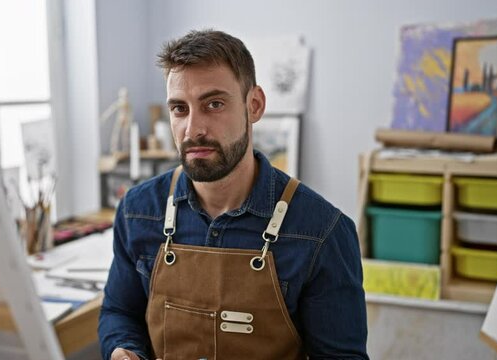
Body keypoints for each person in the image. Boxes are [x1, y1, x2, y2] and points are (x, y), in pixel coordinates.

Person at [98, 29, 368, 360]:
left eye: (214, 104)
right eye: (180, 109)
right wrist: (122, 350)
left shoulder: (322, 232)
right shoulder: (138, 211)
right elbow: (119, 312)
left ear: (254, 105)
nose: (193, 128)